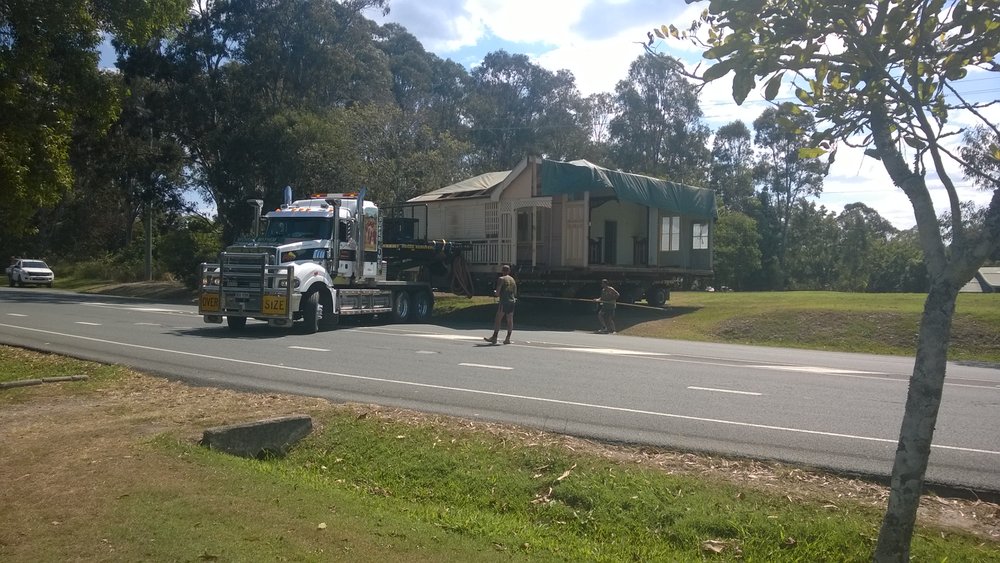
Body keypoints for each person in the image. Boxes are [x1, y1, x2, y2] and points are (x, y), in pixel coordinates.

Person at [485, 264, 517, 344]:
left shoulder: (501, 279)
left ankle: (494, 337)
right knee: (510, 319)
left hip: (504, 301)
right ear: (509, 271)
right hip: (512, 301)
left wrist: (496, 292)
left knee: (498, 318)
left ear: (502, 271)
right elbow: (515, 292)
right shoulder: (512, 279)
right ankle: (507, 338)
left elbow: (498, 292)